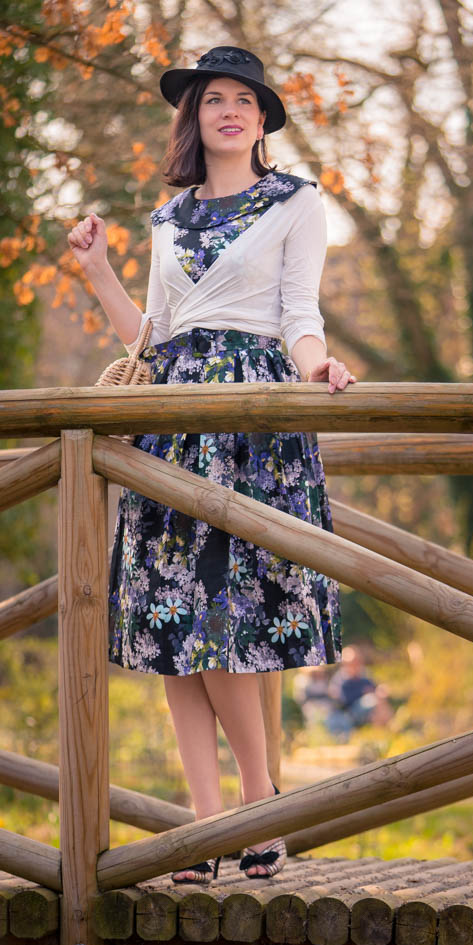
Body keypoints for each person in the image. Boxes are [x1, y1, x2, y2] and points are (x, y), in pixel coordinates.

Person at [67, 46, 356, 882]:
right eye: (211, 101)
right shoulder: (167, 218)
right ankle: (205, 831)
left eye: (243, 100)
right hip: (170, 419)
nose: (228, 111)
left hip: (251, 420)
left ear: (263, 119)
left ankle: (261, 815)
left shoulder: (296, 203)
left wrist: (317, 369)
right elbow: (148, 338)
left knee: (226, 625)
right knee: (172, 629)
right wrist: (96, 272)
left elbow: (299, 312)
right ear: (193, 119)